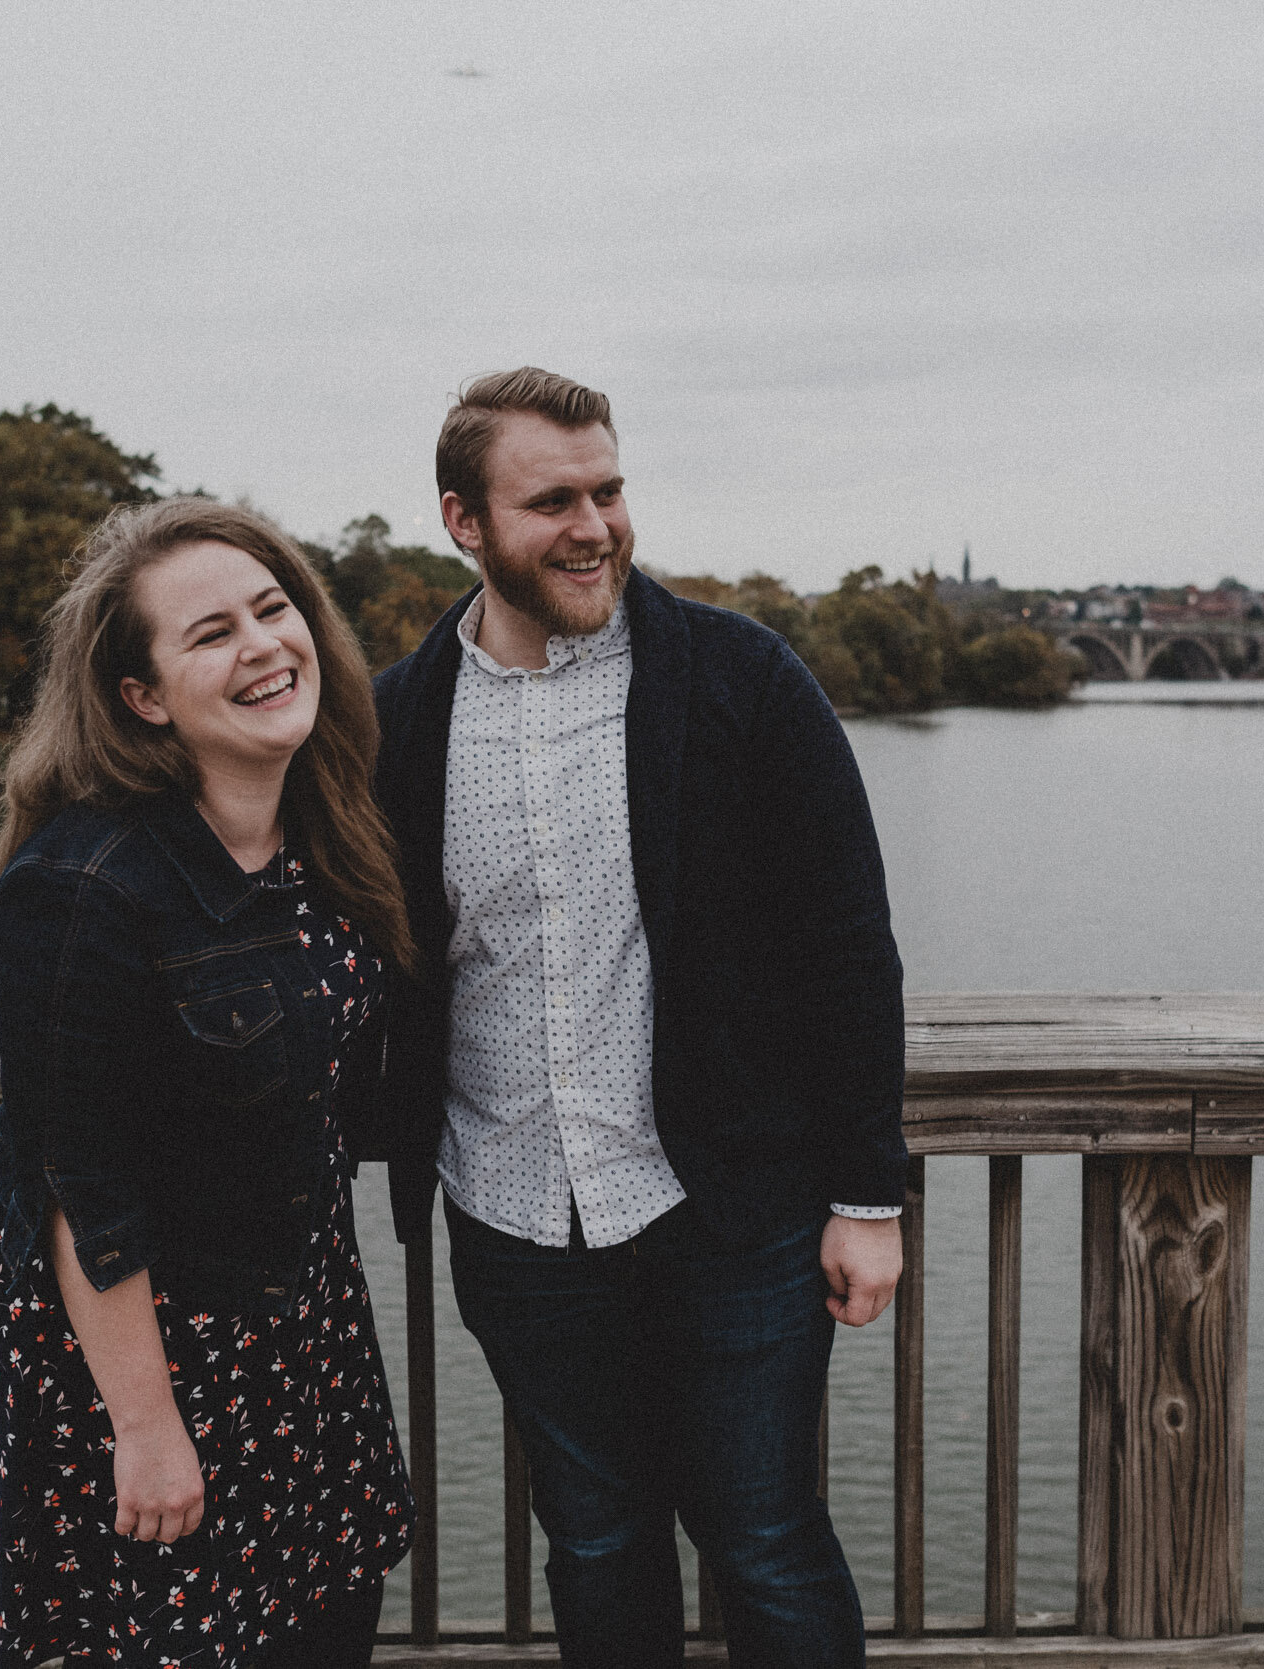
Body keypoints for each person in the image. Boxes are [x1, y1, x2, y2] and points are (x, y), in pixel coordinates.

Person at [370, 368, 909, 1666]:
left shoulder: (741, 678)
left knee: (764, 1534)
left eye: (608, 489)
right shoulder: (397, 718)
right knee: (598, 1540)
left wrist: (868, 1197)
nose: (595, 524)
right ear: (464, 521)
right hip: (513, 1217)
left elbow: (849, 944)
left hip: (731, 1211)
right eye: (551, 499)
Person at [0, 499, 414, 1668]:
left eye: (274, 610)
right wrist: (146, 1428)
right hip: (132, 1361)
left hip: (295, 1334)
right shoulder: (85, 884)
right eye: (211, 633)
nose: (263, 646)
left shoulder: (321, 842)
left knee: (320, 1637)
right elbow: (79, 1177)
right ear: (142, 696)